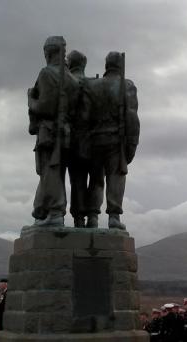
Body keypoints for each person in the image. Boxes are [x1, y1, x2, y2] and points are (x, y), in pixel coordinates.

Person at [28, 36, 80, 226]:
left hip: (50, 132)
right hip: (68, 132)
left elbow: (45, 107)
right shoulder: (73, 78)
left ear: (48, 52)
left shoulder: (46, 74)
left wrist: (30, 101)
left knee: (50, 171)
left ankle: (56, 212)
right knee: (55, 172)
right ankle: (42, 211)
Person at [88, 51, 140, 230]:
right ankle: (114, 217)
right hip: (116, 141)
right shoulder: (127, 86)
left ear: (106, 65)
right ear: (121, 66)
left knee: (95, 179)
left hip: (94, 139)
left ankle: (92, 217)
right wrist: (132, 145)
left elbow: (84, 115)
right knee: (115, 178)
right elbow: (132, 117)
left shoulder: (92, 86)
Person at [65, 49, 98, 228]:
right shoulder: (97, 84)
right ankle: (93, 217)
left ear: (70, 64)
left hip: (74, 140)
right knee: (96, 179)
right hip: (96, 140)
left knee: (77, 180)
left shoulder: (68, 83)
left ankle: (79, 219)